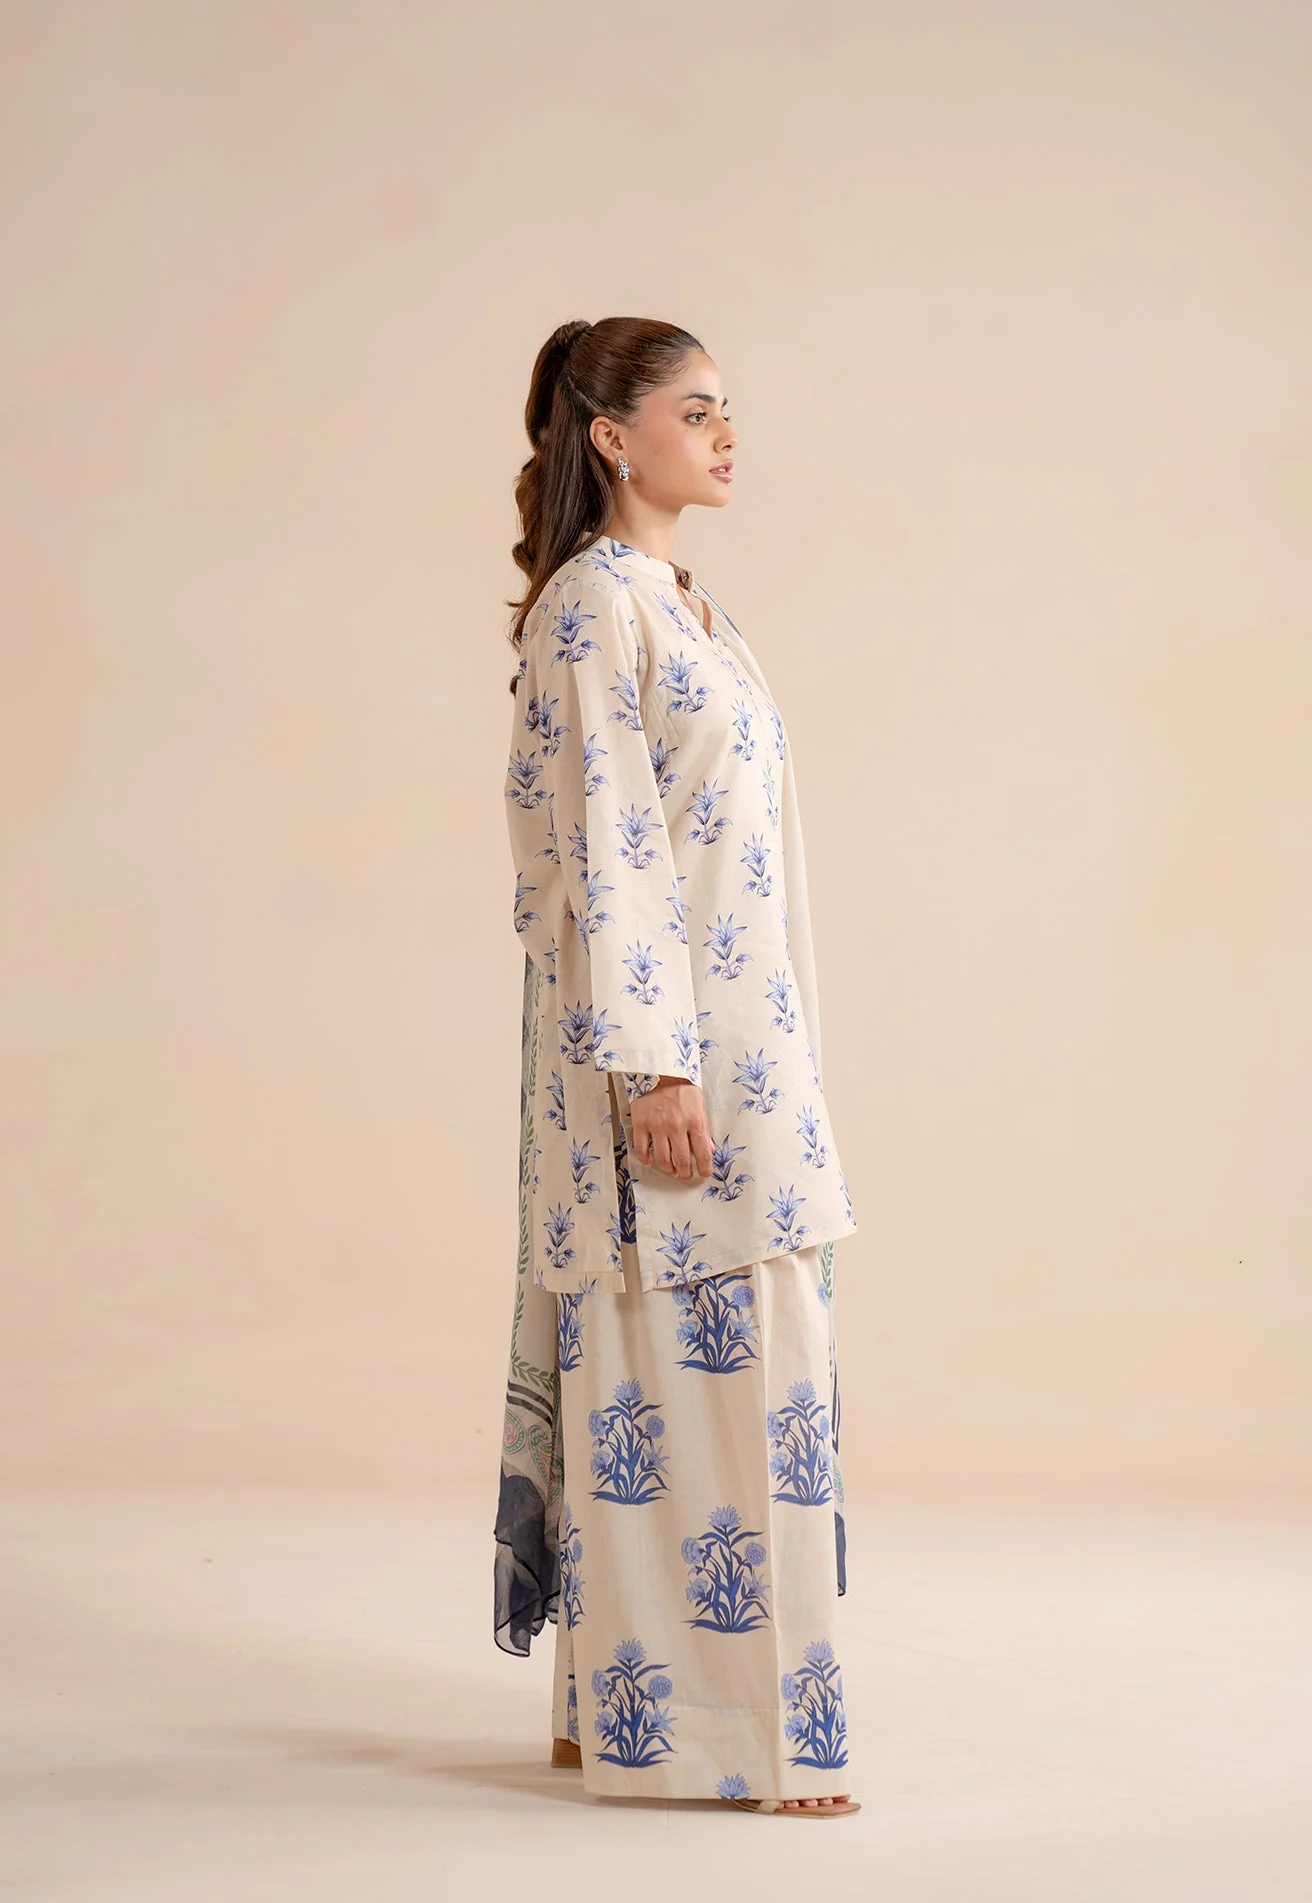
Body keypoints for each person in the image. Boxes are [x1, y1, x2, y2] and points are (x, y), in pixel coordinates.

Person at [492, 316, 861, 1816]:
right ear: (611, 436)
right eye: (697, 411)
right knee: (681, 1375)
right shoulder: (592, 608)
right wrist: (652, 1068)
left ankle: (617, 1713)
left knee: (727, 1371)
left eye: (726, 412)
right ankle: (720, 1735)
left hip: (748, 1043)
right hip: (669, 1059)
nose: (726, 436)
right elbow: (605, 846)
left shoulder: (687, 606)